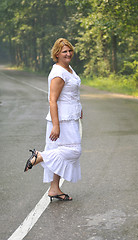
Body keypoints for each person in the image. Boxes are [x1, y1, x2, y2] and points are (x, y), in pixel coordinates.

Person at [24, 38, 82, 201]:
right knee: (73, 150)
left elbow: (71, 93)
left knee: (58, 155)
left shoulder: (68, 69)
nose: (68, 53)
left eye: (70, 50)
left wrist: (79, 107)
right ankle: (39, 156)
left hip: (70, 115)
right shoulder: (58, 73)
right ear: (57, 54)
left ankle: (54, 189)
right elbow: (52, 100)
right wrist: (56, 126)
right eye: (64, 51)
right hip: (62, 120)